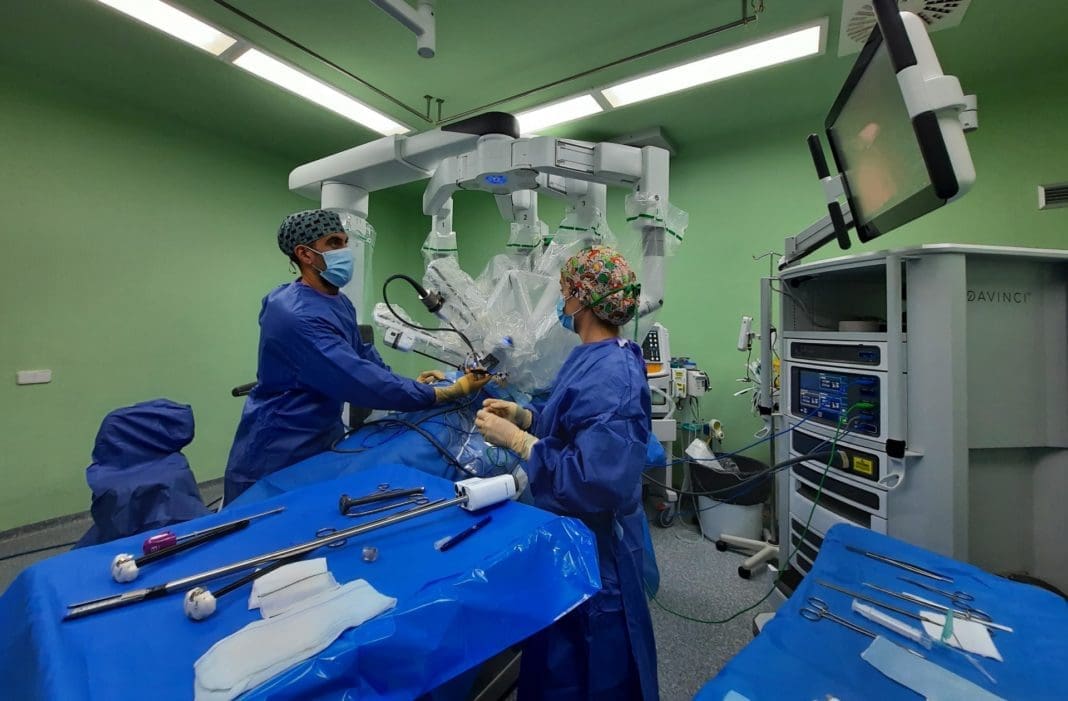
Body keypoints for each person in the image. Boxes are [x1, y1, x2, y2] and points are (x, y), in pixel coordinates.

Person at [474, 246, 658, 700]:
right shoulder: (592, 355)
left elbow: (595, 480)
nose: (561, 302)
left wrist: (520, 444)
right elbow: (573, 425)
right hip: (572, 539)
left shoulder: (612, 373)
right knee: (557, 658)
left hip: (597, 550)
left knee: (590, 670)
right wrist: (525, 417)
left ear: (582, 299)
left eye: (564, 292)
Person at [225, 209, 489, 503]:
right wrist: (441, 394)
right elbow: (358, 379)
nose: (345, 251)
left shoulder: (338, 302)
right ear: (305, 254)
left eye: (345, 242)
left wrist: (408, 383)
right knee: (266, 521)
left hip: (322, 433)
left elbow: (364, 358)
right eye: (333, 243)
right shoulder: (295, 315)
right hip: (279, 444)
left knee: (320, 508)